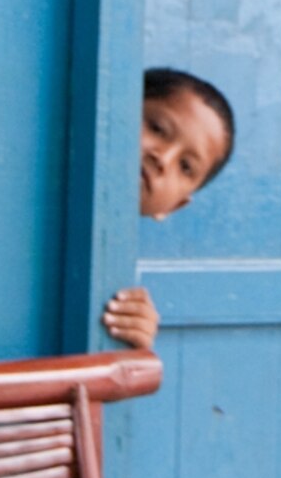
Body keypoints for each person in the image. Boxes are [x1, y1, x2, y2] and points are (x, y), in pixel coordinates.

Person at [101, 66, 238, 349]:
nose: (163, 158)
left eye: (185, 167)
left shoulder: (116, 289)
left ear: (175, 206)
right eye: (157, 128)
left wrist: (133, 339)